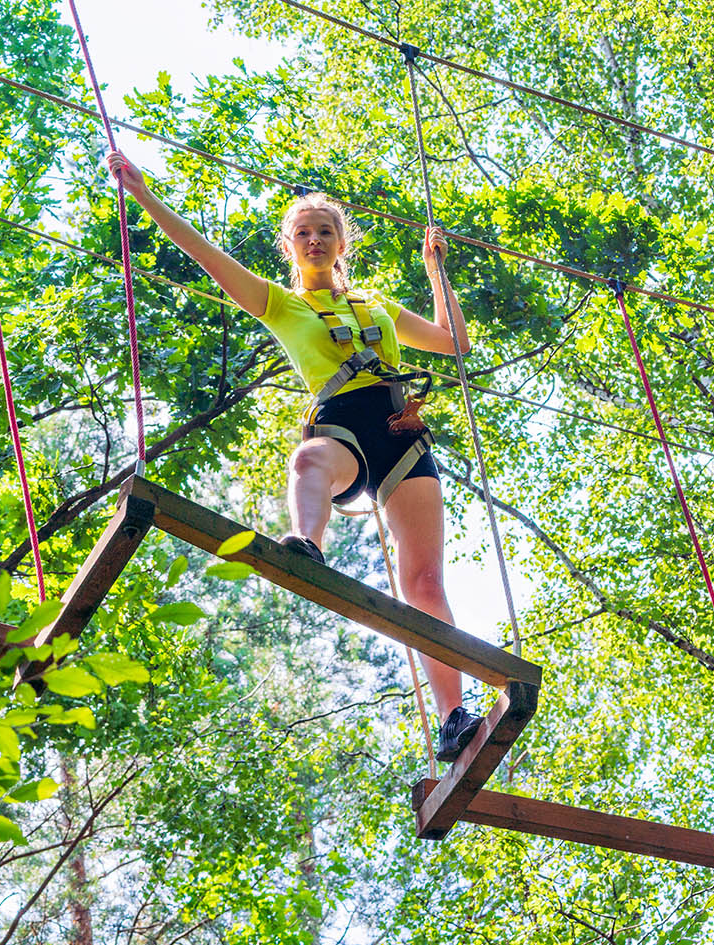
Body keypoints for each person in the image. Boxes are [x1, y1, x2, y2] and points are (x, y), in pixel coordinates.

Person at [104, 150, 483, 762]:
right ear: (289, 247)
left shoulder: (378, 306)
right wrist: (145, 195)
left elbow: (454, 343)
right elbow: (206, 255)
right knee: (309, 462)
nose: (314, 239)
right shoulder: (281, 304)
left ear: (341, 244)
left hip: (399, 430)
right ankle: (308, 545)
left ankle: (452, 717)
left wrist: (437, 271)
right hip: (343, 428)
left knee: (425, 583)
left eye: (325, 231)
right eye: (303, 233)